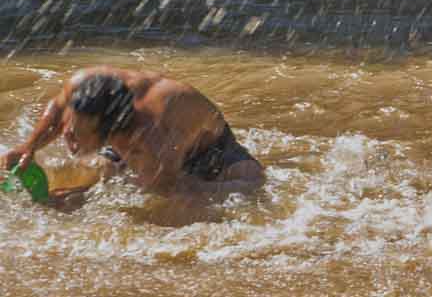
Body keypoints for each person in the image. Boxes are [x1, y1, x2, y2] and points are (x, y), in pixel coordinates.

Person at [2, 66, 264, 198]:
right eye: (72, 128)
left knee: (249, 186)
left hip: (209, 149)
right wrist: (30, 146)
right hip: (135, 134)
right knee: (103, 172)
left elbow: (162, 194)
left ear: (112, 130)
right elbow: (57, 110)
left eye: (79, 135)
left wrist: (77, 202)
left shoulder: (152, 139)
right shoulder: (84, 84)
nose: (69, 137)